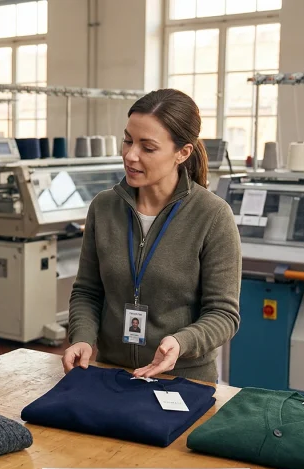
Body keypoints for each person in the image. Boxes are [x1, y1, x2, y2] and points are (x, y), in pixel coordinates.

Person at [62, 89, 241, 383]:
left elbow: (223, 314)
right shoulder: (104, 207)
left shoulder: (212, 216)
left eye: (148, 147)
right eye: (128, 140)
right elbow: (87, 291)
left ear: (182, 153)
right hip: (112, 374)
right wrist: (82, 337)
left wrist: (183, 341)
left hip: (183, 379)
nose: (130, 155)